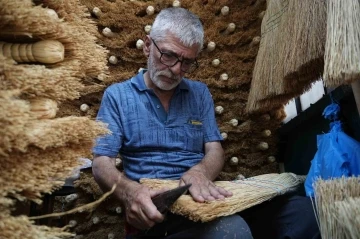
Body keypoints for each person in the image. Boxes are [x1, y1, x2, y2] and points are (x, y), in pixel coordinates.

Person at [92, 7, 320, 239]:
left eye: (187, 62)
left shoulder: (199, 93)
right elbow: (101, 162)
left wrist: (200, 172)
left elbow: (214, 149)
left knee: (305, 213)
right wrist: (130, 192)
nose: (176, 70)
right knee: (232, 232)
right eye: (169, 55)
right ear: (148, 46)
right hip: (158, 209)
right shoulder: (117, 96)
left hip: (205, 197)